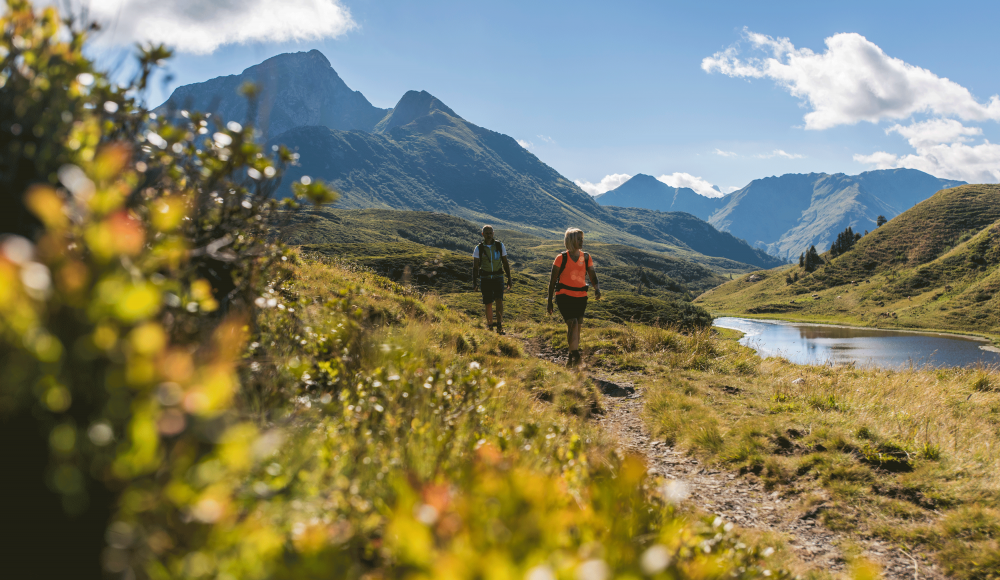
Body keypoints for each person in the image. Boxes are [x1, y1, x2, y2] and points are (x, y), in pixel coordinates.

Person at [547, 228, 601, 367]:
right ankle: (576, 356)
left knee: (577, 328)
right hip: (564, 296)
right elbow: (552, 281)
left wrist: (597, 288)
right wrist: (549, 302)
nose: (581, 241)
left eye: (582, 239)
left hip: (581, 297)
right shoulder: (561, 258)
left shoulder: (587, 257)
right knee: (573, 323)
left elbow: (592, 274)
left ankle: (571, 358)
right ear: (571, 241)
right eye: (578, 239)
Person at [472, 225, 512, 334]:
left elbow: (505, 262)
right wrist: (474, 282)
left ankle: (499, 326)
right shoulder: (478, 248)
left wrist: (509, 278)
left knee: (499, 300)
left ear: (493, 233)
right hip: (485, 278)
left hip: (498, 277)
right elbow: (475, 267)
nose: (489, 235)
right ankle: (490, 327)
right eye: (486, 233)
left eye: (490, 233)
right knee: (488, 303)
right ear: (482, 234)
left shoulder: (499, 245)